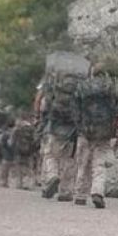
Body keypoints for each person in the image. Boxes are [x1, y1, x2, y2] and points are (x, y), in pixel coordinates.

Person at [73, 66, 118, 208]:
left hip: (85, 129)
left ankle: (80, 195)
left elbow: (75, 108)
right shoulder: (110, 87)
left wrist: (79, 125)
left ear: (92, 73)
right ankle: (97, 192)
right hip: (104, 131)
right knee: (99, 163)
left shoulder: (82, 86)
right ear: (104, 73)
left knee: (83, 163)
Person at [41, 71, 84, 201]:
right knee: (69, 161)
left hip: (55, 129)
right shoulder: (78, 93)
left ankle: (52, 176)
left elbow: (44, 108)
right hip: (71, 132)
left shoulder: (55, 91)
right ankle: (65, 191)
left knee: (50, 156)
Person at [0, 115, 16, 188]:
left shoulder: (3, 133)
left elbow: (0, 144)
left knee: (3, 169)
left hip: (5, 154)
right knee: (9, 169)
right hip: (13, 154)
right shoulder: (14, 132)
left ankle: (3, 182)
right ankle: (6, 182)